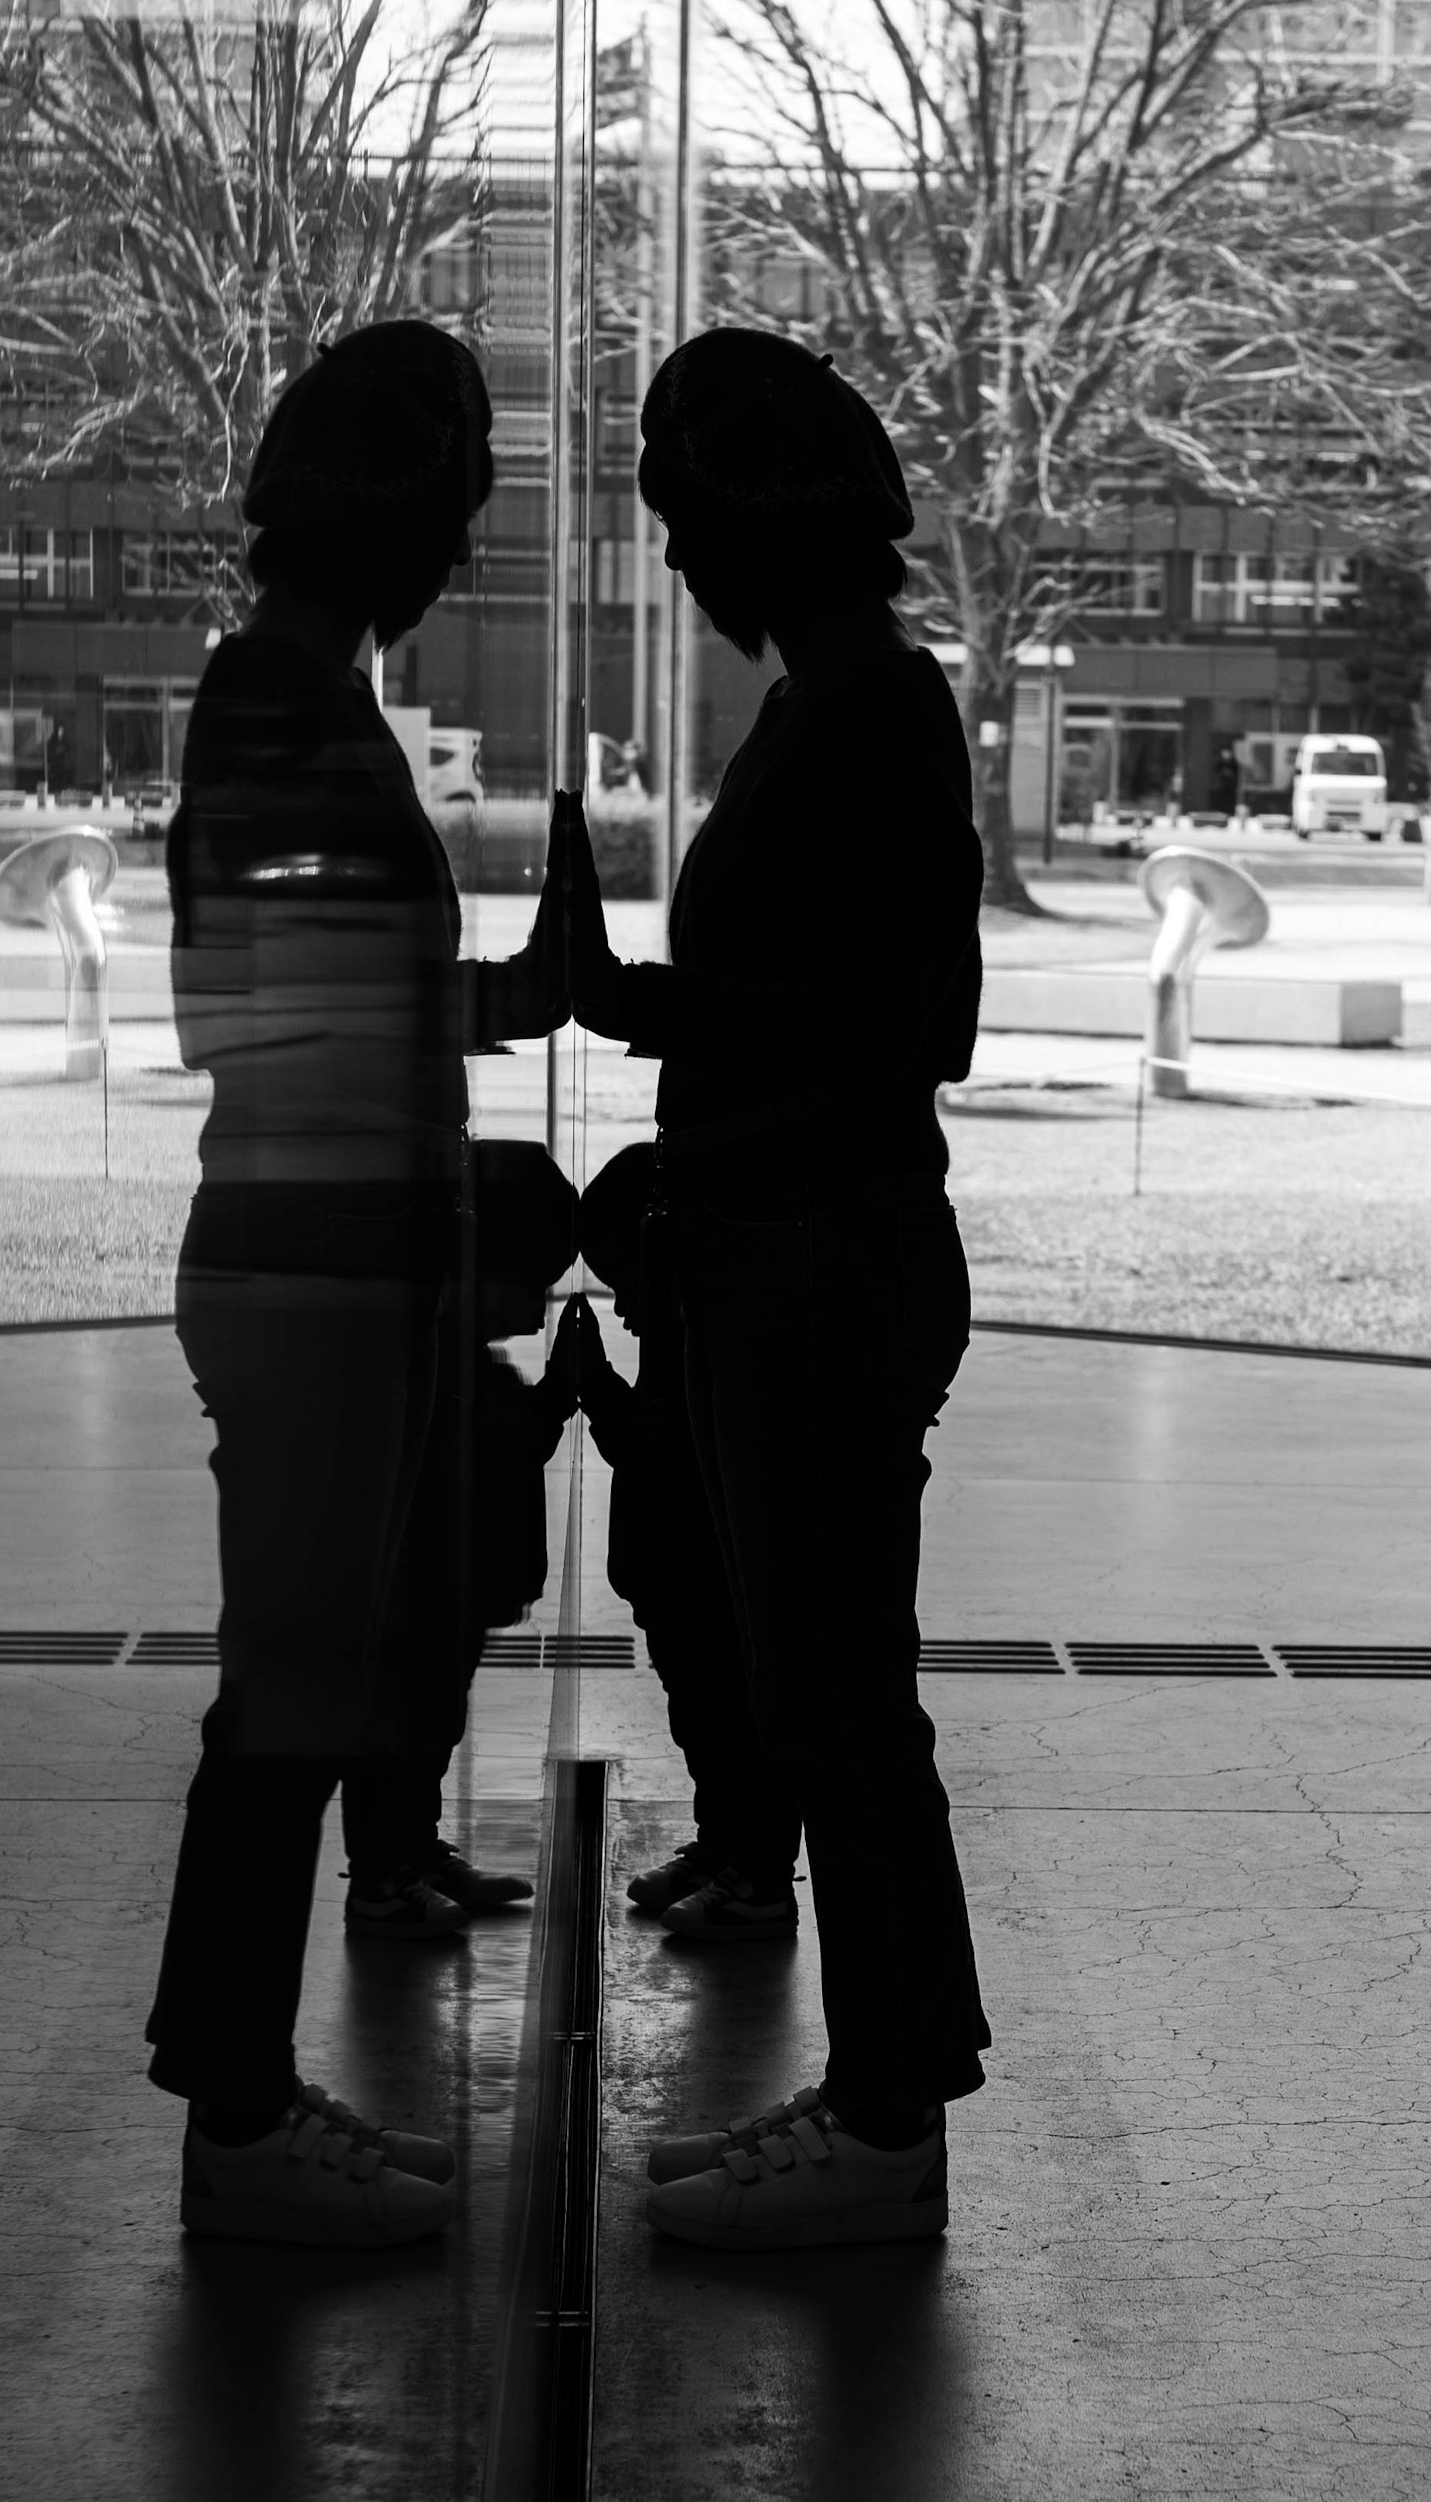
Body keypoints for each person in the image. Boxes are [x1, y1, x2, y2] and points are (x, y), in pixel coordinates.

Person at [556, 328, 992, 2249]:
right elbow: (868, 1015)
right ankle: (882, 2101)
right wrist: (654, 1007)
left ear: (756, 519)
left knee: (838, 1708)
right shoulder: (850, 701)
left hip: (814, 1271)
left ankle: (891, 2112)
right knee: (833, 1699)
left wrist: (651, 1003)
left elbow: (904, 1026)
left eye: (683, 525)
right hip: (799, 1260)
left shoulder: (861, 714)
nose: (677, 567)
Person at [144, 321, 570, 2247]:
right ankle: (235, 2110)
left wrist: (486, 1008)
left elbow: (289, 1002)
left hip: (332, 1268)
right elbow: (243, 1010)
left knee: (296, 1695)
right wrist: (442, 1032)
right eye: (458, 510)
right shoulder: (281, 705)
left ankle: (243, 2101)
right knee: (289, 1704)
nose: (460, 553)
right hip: (314, 1278)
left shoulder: (295, 697)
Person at [557, 1148, 778, 1942]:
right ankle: (727, 1849)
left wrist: (595, 1390)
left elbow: (662, 1455)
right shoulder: (683, 1345)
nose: (622, 1308)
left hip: (693, 1575)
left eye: (628, 1285)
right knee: (704, 1720)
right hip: (673, 1576)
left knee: (729, 1719)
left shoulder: (702, 1355)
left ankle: (753, 1870)